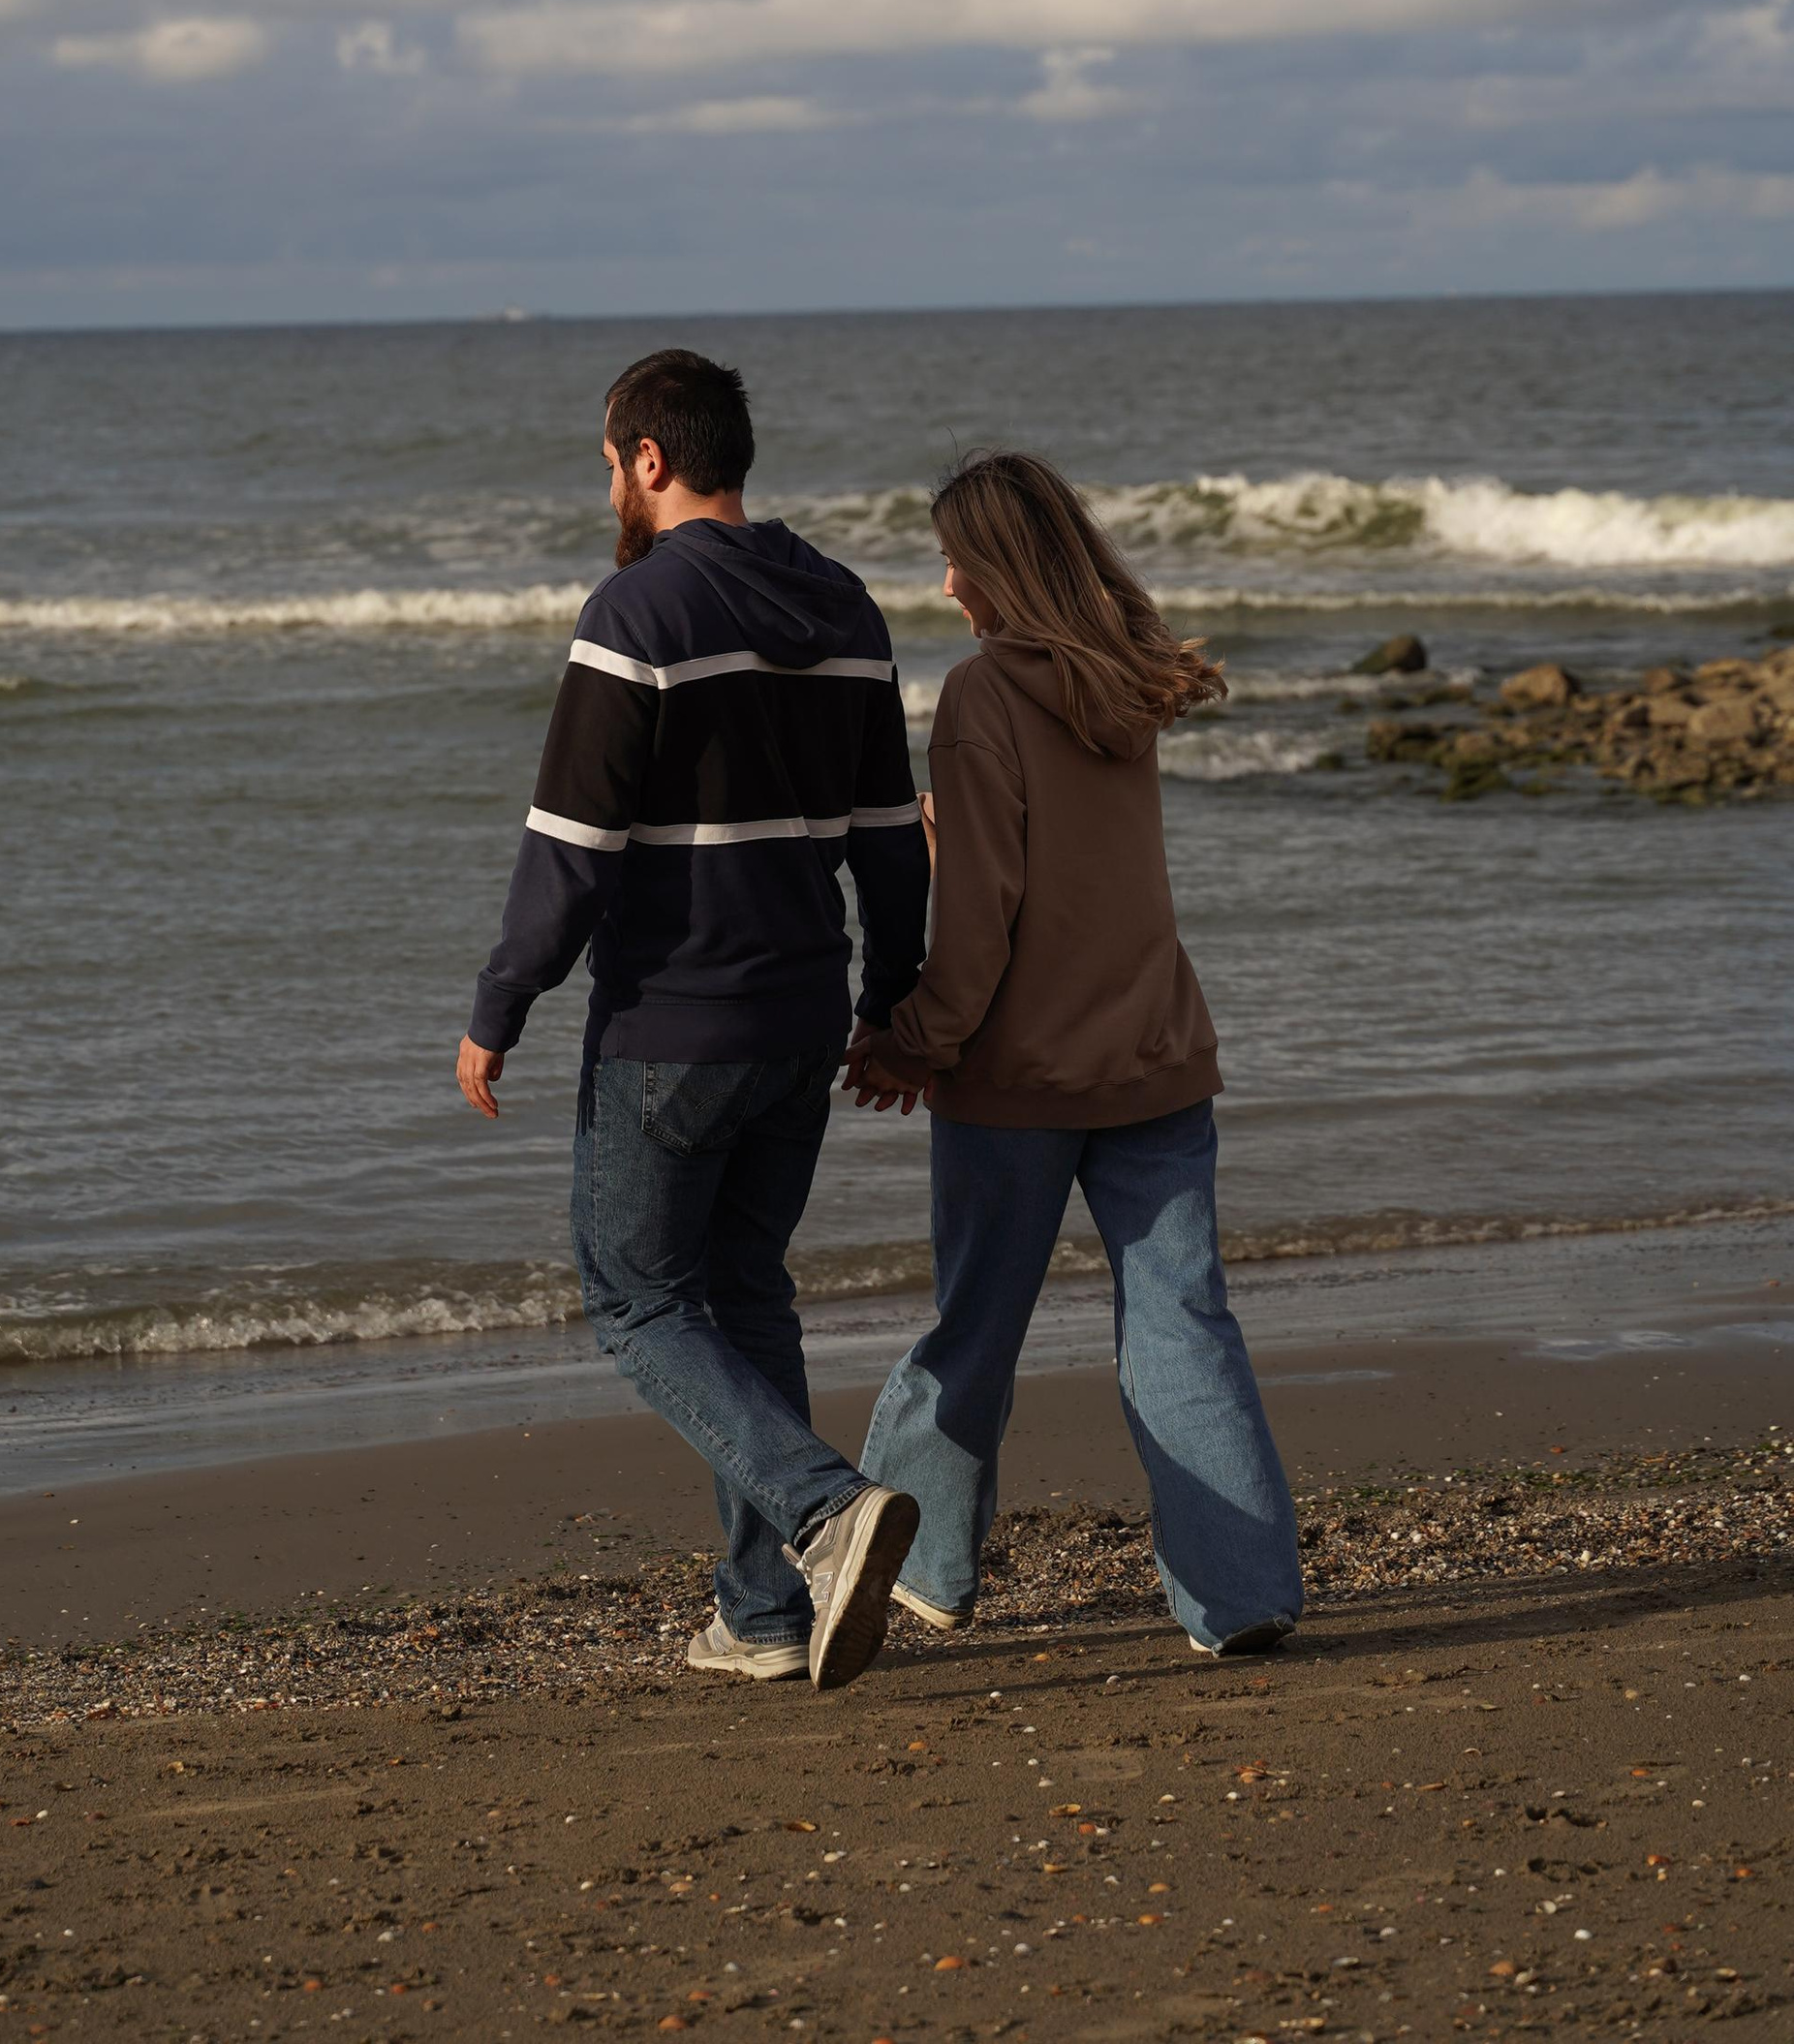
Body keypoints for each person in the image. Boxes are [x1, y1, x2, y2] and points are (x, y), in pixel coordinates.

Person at [455, 347, 930, 1691]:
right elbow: (892, 842)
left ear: (650, 460)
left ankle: (827, 1513)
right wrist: (893, 998)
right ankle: (765, 1613)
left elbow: (572, 845)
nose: (609, 481)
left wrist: (502, 1004)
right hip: (800, 1018)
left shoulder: (639, 611)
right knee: (741, 1296)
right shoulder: (844, 606)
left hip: (676, 1022)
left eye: (610, 460)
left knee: (637, 1298)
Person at [843, 446, 1304, 1658]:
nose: (944, 586)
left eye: (953, 559)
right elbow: (1069, 873)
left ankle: (919, 1567)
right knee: (1182, 1323)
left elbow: (987, 916)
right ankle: (1241, 1594)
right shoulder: (1123, 679)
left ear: (997, 563)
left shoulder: (983, 697)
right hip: (1154, 1048)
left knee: (974, 1330)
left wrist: (910, 1043)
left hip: (1017, 1078)